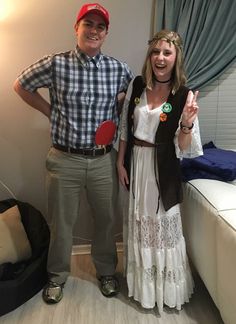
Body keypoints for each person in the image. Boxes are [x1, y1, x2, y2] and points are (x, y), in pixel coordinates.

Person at [13, 3, 133, 304]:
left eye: (100, 27)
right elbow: (21, 85)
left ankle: (106, 271)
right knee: (61, 223)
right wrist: (50, 112)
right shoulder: (55, 64)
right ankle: (56, 277)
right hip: (64, 160)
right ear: (76, 28)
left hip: (104, 159)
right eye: (88, 24)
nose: (93, 30)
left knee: (106, 220)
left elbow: (122, 104)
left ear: (106, 34)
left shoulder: (120, 70)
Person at [117, 30, 203, 313]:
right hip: (137, 163)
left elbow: (184, 146)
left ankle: (165, 292)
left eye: (167, 52)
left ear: (176, 57)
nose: (160, 58)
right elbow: (125, 129)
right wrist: (120, 161)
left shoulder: (184, 94)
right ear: (149, 56)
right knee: (141, 225)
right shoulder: (138, 85)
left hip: (162, 169)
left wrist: (187, 123)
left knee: (163, 229)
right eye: (156, 52)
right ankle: (143, 289)